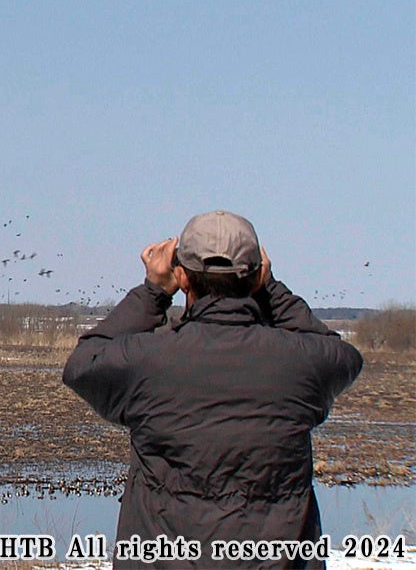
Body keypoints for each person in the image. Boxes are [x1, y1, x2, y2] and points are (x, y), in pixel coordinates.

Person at [63, 211, 362, 569]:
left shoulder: (150, 361)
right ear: (255, 276)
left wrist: (153, 292)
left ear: (183, 277)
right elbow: (343, 356)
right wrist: (272, 291)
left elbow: (83, 364)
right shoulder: (299, 364)